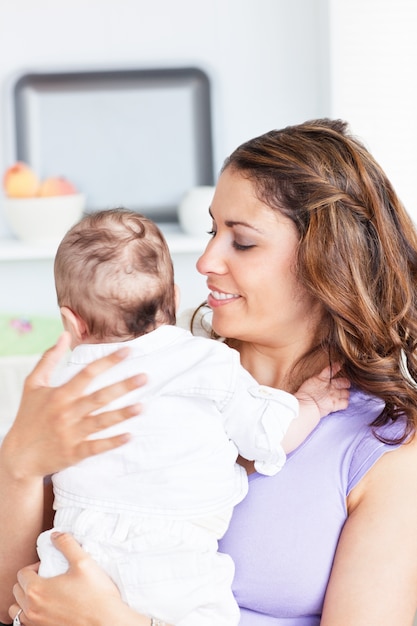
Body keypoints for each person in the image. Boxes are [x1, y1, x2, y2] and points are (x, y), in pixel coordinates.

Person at [1, 117, 417, 626]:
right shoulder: (140, 383)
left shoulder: (385, 451)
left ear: (326, 259)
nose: (203, 261)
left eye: (241, 242)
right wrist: (17, 467)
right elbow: (18, 603)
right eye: (211, 230)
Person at [36, 208, 347, 626]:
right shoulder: (207, 363)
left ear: (73, 323)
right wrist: (313, 404)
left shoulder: (65, 387)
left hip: (72, 558)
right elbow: (267, 434)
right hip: (176, 572)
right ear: (176, 299)